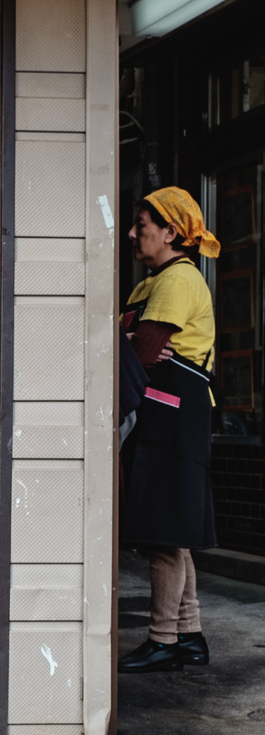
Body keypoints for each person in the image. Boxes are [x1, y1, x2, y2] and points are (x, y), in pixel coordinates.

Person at [117, 188, 219, 673]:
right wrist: (124, 335)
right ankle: (190, 634)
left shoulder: (177, 279)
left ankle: (162, 640)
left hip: (175, 414)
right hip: (162, 411)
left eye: (142, 224)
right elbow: (129, 342)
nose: (134, 234)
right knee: (173, 531)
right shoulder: (152, 282)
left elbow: (142, 351)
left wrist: (125, 337)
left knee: (162, 532)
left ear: (171, 232)